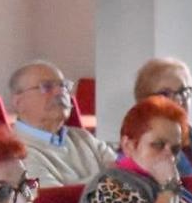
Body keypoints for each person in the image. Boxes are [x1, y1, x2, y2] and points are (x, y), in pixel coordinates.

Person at [7, 59, 115, 187]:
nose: (60, 92)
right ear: (18, 102)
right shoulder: (15, 152)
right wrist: (110, 180)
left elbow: (126, 175)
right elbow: (57, 200)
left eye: (64, 85)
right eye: (46, 87)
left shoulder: (83, 136)